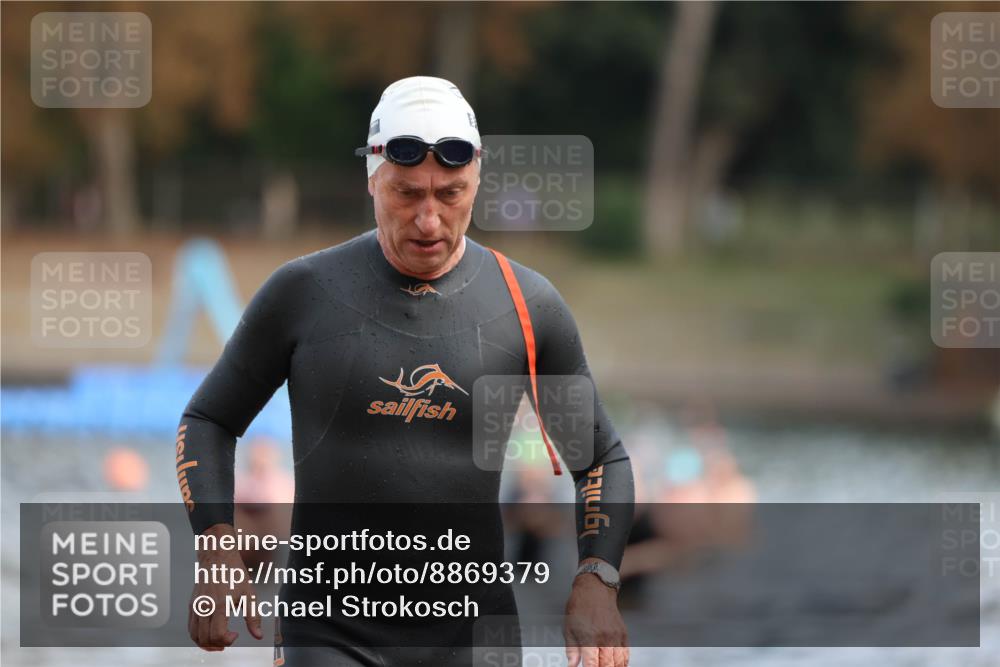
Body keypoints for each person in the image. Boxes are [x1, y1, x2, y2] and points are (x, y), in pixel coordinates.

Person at [178, 76, 634, 667]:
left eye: (451, 194)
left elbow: (599, 459)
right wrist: (217, 544)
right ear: (371, 177)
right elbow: (210, 418)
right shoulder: (305, 293)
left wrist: (597, 579)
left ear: (477, 180)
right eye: (406, 193)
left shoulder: (525, 306)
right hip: (330, 634)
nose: (428, 220)